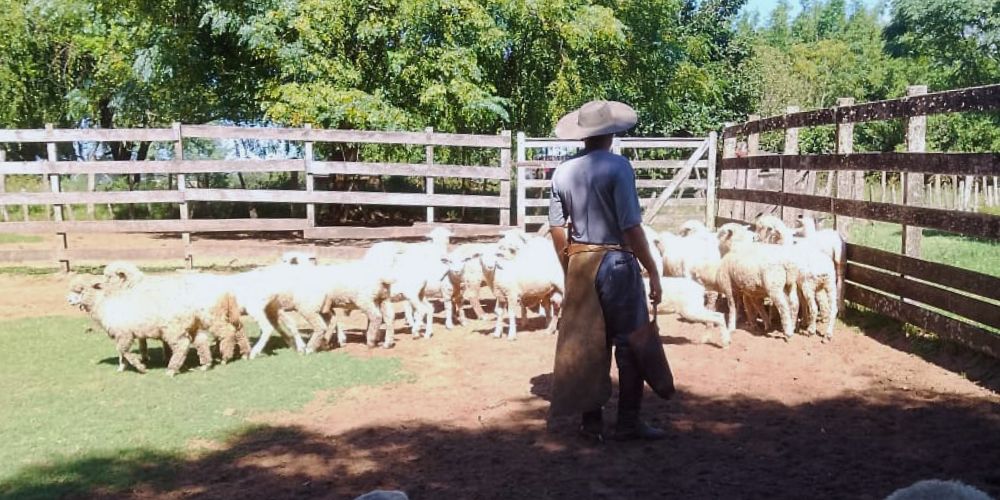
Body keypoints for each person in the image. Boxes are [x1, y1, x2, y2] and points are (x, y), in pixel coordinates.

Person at [547, 100, 667, 442]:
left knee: (588, 343)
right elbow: (631, 226)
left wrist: (568, 264)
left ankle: (591, 423)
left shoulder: (562, 173)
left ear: (582, 136)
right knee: (630, 344)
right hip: (616, 262)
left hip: (582, 263)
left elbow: (557, 227)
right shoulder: (618, 168)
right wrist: (653, 270)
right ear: (611, 133)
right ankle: (628, 422)